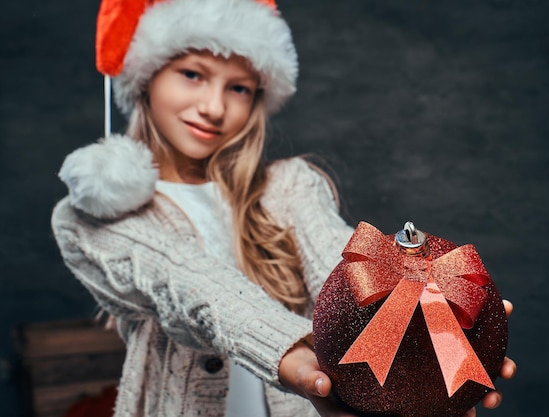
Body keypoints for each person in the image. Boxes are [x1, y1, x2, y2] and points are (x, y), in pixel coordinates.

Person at [51, 0, 516, 416]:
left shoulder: (289, 185)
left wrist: (421, 311)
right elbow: (193, 288)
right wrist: (295, 356)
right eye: (192, 74)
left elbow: (340, 265)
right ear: (145, 77)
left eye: (239, 88)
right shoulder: (95, 215)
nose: (213, 107)